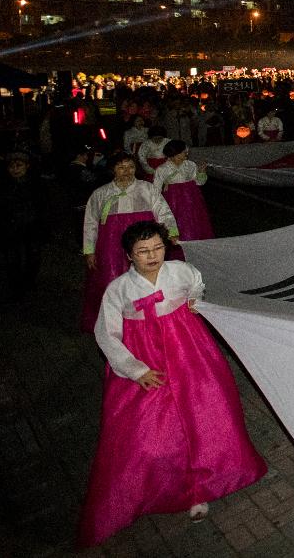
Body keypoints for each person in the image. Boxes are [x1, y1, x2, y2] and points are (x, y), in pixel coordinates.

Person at [77, 221, 266, 547]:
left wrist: (193, 302)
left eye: (157, 248)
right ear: (128, 255)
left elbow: (196, 286)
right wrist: (135, 370)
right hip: (146, 359)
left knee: (204, 416)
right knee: (150, 433)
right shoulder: (118, 289)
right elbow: (106, 333)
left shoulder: (181, 271)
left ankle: (200, 488)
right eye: (143, 252)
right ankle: (155, 488)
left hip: (188, 351)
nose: (152, 256)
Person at [82, 152, 180, 333]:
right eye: (121, 167)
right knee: (111, 280)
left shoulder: (147, 189)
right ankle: (115, 322)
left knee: (146, 278)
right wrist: (89, 250)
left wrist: (170, 232)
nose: (127, 171)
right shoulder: (101, 194)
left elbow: (163, 212)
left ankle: (149, 319)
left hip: (143, 242)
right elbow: (90, 222)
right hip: (110, 246)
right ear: (113, 170)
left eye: (130, 167)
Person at [0, 152, 50, 302]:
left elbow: (44, 207)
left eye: (19, 165)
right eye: (12, 166)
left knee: (33, 255)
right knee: (12, 258)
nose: (15, 169)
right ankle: (16, 285)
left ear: (27, 166)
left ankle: (29, 281)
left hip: (31, 227)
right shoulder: (3, 186)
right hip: (11, 228)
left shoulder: (36, 185)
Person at [153, 139, 213, 241]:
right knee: (176, 221)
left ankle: (196, 241)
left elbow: (199, 182)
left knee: (194, 221)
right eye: (184, 151)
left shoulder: (190, 165)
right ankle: (178, 243)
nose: (187, 153)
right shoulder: (162, 169)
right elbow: (156, 189)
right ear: (174, 154)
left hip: (192, 199)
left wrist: (201, 172)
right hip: (173, 201)